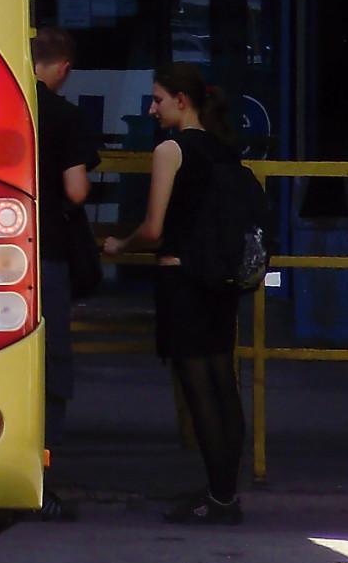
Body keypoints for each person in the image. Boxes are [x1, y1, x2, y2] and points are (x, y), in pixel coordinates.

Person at [102, 62, 246, 525]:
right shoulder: (225, 149)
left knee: (198, 390)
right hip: (220, 280)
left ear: (181, 101)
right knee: (224, 384)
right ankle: (225, 492)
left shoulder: (171, 150)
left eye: (158, 99)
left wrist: (119, 245)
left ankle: (219, 500)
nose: (152, 108)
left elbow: (153, 229)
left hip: (182, 280)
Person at [33, 27, 100, 521]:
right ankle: (41, 481)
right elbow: (76, 191)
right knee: (52, 361)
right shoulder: (63, 116)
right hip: (48, 253)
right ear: (64, 68)